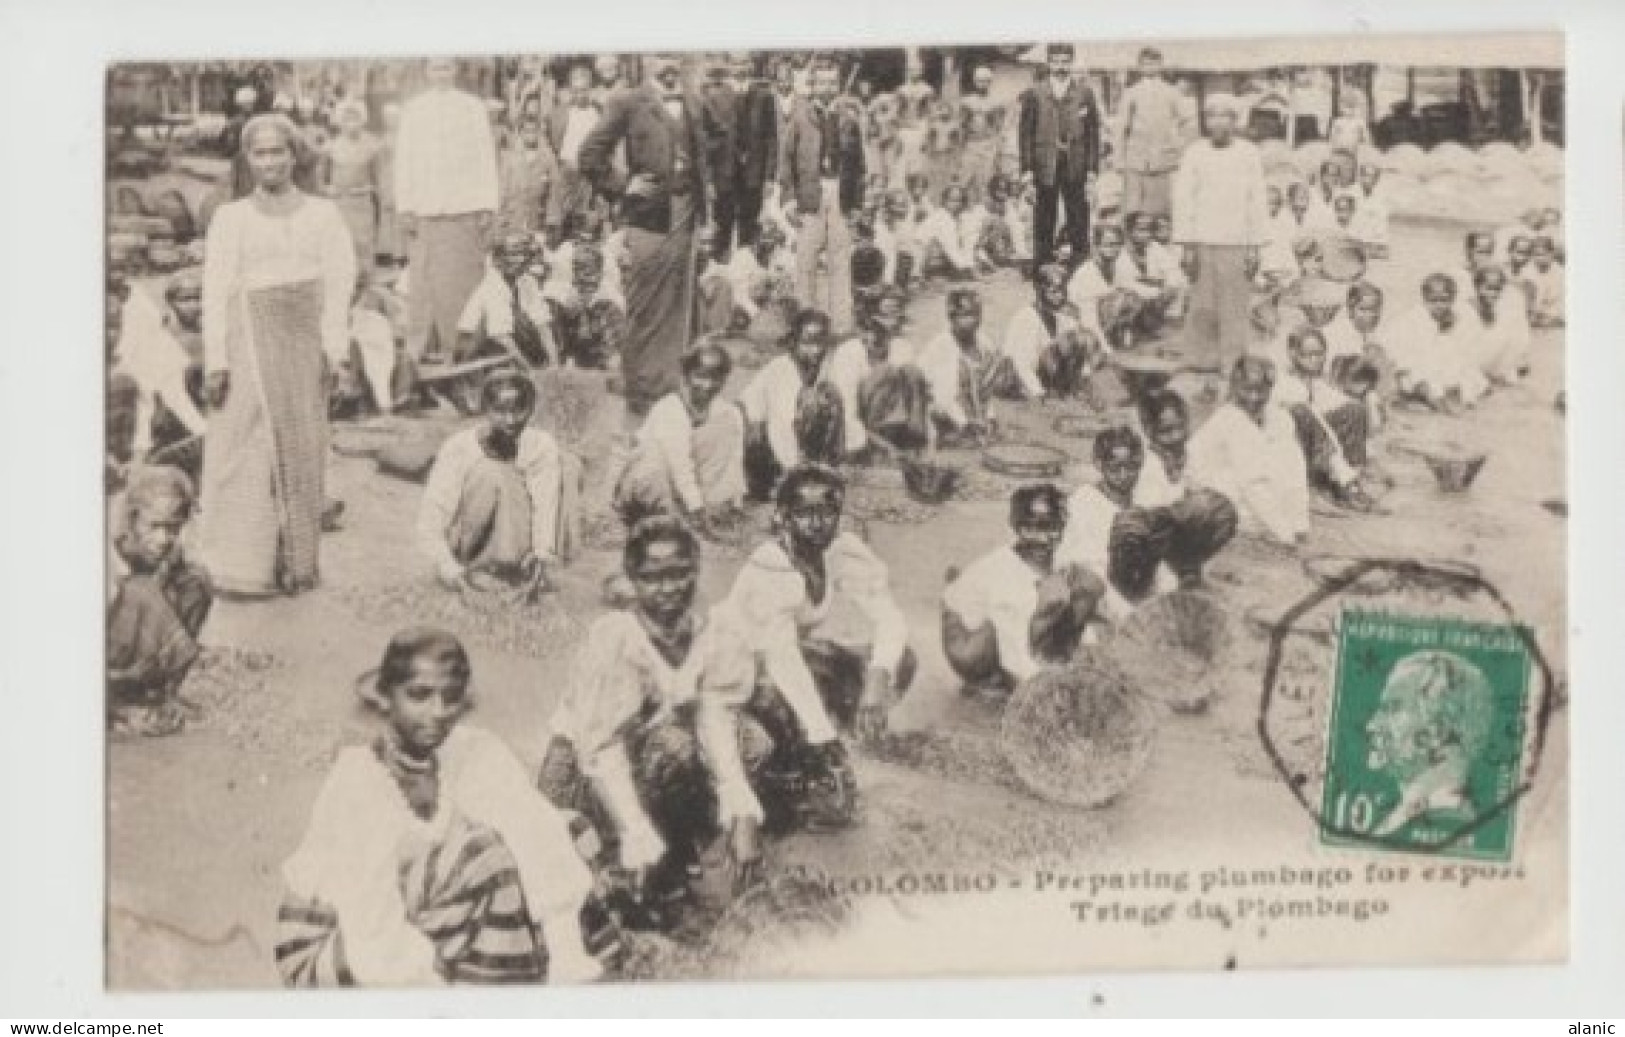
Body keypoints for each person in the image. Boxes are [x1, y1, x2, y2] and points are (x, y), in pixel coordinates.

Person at [276, 628, 602, 986]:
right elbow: (370, 923)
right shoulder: (359, 781)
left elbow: (533, 825)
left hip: (416, 918)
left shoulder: (469, 751)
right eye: (419, 696)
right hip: (337, 940)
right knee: (484, 858)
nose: (438, 712)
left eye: (451, 697)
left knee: (569, 828)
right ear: (386, 698)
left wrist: (565, 948)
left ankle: (529, 970)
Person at [538, 518, 769, 912]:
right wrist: (635, 833)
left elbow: (717, 717)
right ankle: (634, 855)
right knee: (673, 745)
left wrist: (743, 810)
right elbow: (602, 747)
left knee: (754, 741)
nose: (668, 589)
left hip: (647, 756)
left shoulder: (710, 631)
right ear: (632, 580)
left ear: (695, 570)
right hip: (586, 772)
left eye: (679, 574)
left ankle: (688, 843)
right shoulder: (616, 638)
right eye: (652, 577)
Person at [200, 114, 355, 597]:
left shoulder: (322, 215)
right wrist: (216, 360)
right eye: (259, 153)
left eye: (277, 152)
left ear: (294, 155)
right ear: (248, 160)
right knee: (244, 450)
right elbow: (215, 289)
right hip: (247, 337)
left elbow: (338, 284)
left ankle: (296, 566)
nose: (269, 162)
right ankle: (242, 568)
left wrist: (336, 352)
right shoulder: (231, 218)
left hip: (302, 341)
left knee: (303, 450)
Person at [721, 464, 916, 825]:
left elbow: (890, 618)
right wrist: (821, 733)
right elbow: (781, 659)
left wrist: (876, 679)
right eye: (804, 513)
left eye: (827, 512)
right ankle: (793, 758)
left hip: (787, 657)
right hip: (741, 669)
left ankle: (826, 739)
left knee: (899, 660)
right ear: (782, 516)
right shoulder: (770, 568)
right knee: (786, 733)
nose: (817, 523)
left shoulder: (838, 552)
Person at [578, 53, 709, 418]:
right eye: (660, 55)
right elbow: (588, 155)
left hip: (687, 216)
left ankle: (671, 389)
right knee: (646, 302)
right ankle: (639, 391)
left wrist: (708, 217)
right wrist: (623, 185)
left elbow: (704, 164)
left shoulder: (693, 100)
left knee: (680, 302)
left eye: (674, 55)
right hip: (649, 216)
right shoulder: (627, 102)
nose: (668, 64)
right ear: (647, 61)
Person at [417, 371, 578, 592]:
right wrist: (447, 566)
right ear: (485, 409)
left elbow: (546, 503)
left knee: (569, 466)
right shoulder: (458, 448)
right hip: (469, 542)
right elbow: (433, 515)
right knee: (491, 472)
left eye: (518, 411)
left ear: (531, 410)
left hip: (520, 544)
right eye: (500, 411)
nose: (510, 421)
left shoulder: (541, 446)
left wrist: (541, 552)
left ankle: (523, 568)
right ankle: (480, 567)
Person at [1059, 424, 1237, 621]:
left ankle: (1182, 588)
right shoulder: (1084, 501)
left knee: (1211, 510)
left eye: (1131, 467)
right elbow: (1090, 569)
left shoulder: (1143, 493)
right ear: (1099, 464)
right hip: (1103, 582)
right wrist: (1128, 614)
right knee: (1130, 526)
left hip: (1141, 574)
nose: (1124, 475)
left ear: (1140, 464)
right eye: (1115, 468)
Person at [941, 483, 1105, 694]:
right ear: (1016, 528)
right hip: (968, 632)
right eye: (1030, 528)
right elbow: (1011, 643)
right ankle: (986, 676)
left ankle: (1050, 651)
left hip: (1013, 616)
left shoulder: (1061, 555)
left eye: (1051, 527)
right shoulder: (1004, 572)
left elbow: (1088, 598)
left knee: (1085, 582)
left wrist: (1092, 657)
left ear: (1062, 525)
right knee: (1043, 601)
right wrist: (1031, 692)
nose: (1042, 538)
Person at [395, 57, 501, 365]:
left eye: (447, 67)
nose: (441, 74)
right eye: (435, 68)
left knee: (463, 279)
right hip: (425, 208)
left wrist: (486, 203)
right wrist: (406, 206)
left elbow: (485, 157)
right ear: (427, 72)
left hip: (463, 206)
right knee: (423, 280)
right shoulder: (414, 110)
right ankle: (422, 351)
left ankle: (463, 348)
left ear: (456, 71)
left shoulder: (473, 108)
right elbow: (405, 160)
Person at [107, 466, 214, 737]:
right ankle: (118, 705)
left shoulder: (159, 547)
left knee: (195, 582)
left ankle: (159, 693)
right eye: (154, 526)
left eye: (173, 528)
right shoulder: (105, 550)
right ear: (132, 520)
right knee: (143, 592)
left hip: (129, 645)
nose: (164, 539)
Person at [1172, 93, 1269, 376]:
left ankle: (1233, 363)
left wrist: (1254, 247)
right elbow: (1184, 200)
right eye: (1211, 115)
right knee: (1202, 305)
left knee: (1234, 307)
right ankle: (1201, 360)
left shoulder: (1248, 153)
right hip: (1202, 241)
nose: (1217, 122)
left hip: (1236, 242)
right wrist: (1187, 245)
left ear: (1234, 120)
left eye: (1224, 116)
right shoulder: (1195, 153)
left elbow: (1256, 200)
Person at [614, 339, 746, 530]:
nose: (707, 385)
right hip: (648, 481)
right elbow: (679, 464)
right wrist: (697, 508)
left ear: (724, 380)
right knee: (655, 464)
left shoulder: (727, 412)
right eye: (700, 376)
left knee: (725, 427)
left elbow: (734, 460)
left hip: (683, 488)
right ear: (686, 376)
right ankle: (677, 515)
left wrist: (735, 502)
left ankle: (702, 508)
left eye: (715, 378)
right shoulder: (671, 408)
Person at [780, 62, 866, 336]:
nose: (827, 88)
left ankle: (841, 325)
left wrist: (856, 205)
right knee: (806, 261)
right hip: (810, 196)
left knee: (840, 260)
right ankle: (806, 323)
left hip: (840, 193)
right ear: (812, 85)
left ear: (838, 85)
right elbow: (786, 162)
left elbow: (859, 166)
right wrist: (789, 199)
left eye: (832, 82)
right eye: (822, 83)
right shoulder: (799, 118)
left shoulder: (849, 120)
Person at [1188, 356, 1309, 546]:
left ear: (1270, 389)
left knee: (1286, 459)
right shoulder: (1230, 419)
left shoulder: (1279, 417)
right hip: (1209, 488)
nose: (1253, 397)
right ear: (1235, 388)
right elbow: (1252, 483)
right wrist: (1285, 534)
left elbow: (1295, 468)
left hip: (1247, 482)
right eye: (1246, 389)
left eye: (1260, 391)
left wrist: (1301, 524)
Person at [739, 308, 844, 499]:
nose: (816, 350)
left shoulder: (825, 368)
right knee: (810, 401)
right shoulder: (781, 369)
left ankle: (821, 467)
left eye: (821, 343)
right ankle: (785, 478)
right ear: (793, 342)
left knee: (829, 395)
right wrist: (793, 469)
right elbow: (779, 425)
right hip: (765, 445)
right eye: (808, 343)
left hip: (796, 441)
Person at [1273, 326, 1376, 509]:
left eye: (1320, 354)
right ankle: (1324, 487)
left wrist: (1363, 404)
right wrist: (1340, 469)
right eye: (1308, 354)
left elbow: (1339, 403)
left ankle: (1352, 482)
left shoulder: (1315, 383)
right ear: (1293, 353)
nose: (1315, 360)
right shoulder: (1284, 383)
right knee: (1302, 414)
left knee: (1354, 410)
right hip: (1284, 448)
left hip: (1316, 442)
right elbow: (1319, 427)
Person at [1018, 43, 1102, 266]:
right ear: (1048, 63)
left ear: (1072, 63)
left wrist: (1092, 169)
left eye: (1065, 62)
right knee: (1044, 218)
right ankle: (1043, 266)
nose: (1061, 67)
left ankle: (1080, 266)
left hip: (1076, 164)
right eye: (1056, 62)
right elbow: (1025, 135)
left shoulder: (1085, 93)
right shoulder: (1034, 93)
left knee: (1078, 218)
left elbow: (1093, 134)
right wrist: (1026, 170)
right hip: (1044, 164)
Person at [827, 286, 931, 461]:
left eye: (895, 315)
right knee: (886, 371)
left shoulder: (902, 347)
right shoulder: (848, 353)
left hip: (895, 423)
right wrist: (876, 444)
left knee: (913, 373)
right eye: (883, 316)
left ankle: (913, 443)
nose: (891, 323)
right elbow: (846, 410)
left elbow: (919, 397)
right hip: (859, 428)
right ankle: (879, 448)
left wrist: (926, 438)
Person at [915, 288, 1015, 443]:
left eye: (977, 314)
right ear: (952, 317)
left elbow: (985, 390)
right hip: (942, 410)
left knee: (999, 363)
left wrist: (990, 416)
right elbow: (943, 395)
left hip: (971, 408)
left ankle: (977, 425)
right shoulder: (941, 347)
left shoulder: (984, 343)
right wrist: (964, 423)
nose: (974, 320)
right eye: (966, 315)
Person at [1001, 263, 1107, 401]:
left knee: (1082, 337)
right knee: (1073, 340)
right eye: (1054, 291)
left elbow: (1080, 354)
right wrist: (1038, 392)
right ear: (1039, 291)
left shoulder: (1063, 317)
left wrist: (1084, 379)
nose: (1060, 296)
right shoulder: (1027, 319)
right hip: (1018, 377)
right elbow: (1021, 364)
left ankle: (1071, 388)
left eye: (1063, 291)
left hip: (1046, 372)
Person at [1390, 274, 1488, 411]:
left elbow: (1460, 349)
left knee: (1470, 376)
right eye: (1433, 301)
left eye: (1444, 301)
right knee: (1419, 378)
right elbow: (1404, 353)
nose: (1439, 305)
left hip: (1440, 366)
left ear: (1452, 300)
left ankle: (1460, 399)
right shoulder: (1413, 319)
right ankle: (1435, 402)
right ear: (1424, 300)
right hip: (1417, 367)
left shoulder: (1455, 318)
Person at [456, 233, 556, 367]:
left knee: (530, 321)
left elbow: (543, 324)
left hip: (503, 342)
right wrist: (530, 370)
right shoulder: (493, 284)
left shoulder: (527, 281)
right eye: (513, 254)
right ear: (498, 259)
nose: (519, 260)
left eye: (523, 254)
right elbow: (501, 336)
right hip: (474, 348)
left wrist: (555, 365)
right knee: (512, 323)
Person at [1117, 47, 1190, 220]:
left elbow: (1186, 120)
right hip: (1136, 158)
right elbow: (1121, 127)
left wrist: (1177, 145)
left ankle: (1161, 244)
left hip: (1164, 159)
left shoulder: (1171, 92)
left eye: (1154, 63)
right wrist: (1119, 159)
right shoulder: (1131, 92)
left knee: (1162, 208)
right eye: (1145, 64)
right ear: (1139, 66)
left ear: (1161, 65)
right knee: (1133, 207)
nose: (1149, 67)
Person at [324, 99, 390, 275]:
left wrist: (369, 189)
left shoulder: (372, 146)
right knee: (340, 244)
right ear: (339, 122)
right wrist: (329, 189)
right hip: (338, 204)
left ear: (362, 120)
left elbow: (379, 179)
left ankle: (366, 285)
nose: (351, 124)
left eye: (355, 119)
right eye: (346, 120)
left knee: (363, 244)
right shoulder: (331, 147)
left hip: (362, 204)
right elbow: (323, 179)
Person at [542, 244, 625, 370]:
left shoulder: (611, 299)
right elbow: (562, 336)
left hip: (604, 357)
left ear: (599, 272)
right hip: (575, 357)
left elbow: (614, 348)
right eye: (577, 269)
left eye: (588, 271)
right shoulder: (568, 295)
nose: (581, 276)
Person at [544, 64, 602, 243]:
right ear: (570, 90)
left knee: (585, 224)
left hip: (589, 175)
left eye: (584, 90)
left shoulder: (599, 113)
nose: (580, 95)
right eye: (575, 91)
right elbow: (548, 140)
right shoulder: (559, 113)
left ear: (591, 90)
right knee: (558, 224)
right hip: (565, 172)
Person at [1067, 222, 1144, 349]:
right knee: (1121, 298)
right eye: (1109, 244)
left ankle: (1122, 342)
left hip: (1103, 323)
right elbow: (1089, 321)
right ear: (1096, 246)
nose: (1115, 249)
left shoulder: (1116, 267)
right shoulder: (1086, 274)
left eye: (1118, 244)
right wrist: (1107, 351)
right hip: (1080, 327)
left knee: (1132, 296)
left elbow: (1135, 288)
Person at [731, 53, 779, 250]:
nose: (740, 68)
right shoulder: (721, 95)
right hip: (728, 171)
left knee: (750, 220)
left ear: (750, 66)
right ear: (731, 68)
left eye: (744, 63)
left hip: (754, 170)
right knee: (725, 220)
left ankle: (749, 262)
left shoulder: (764, 96)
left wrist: (768, 175)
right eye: (736, 64)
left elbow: (771, 138)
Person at [1460, 265, 1531, 386]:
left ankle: (1503, 370)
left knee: (1514, 327)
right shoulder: (1467, 307)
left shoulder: (1498, 306)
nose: (1493, 294)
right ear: (1477, 287)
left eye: (1497, 289)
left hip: (1486, 356)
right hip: (1469, 358)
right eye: (1488, 288)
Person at [700, 59, 742, 261]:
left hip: (724, 165)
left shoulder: (729, 94)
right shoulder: (705, 95)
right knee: (718, 215)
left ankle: (719, 256)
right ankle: (716, 256)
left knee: (722, 214)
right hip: (719, 165)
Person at [496, 113, 559, 239]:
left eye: (534, 131)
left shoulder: (547, 157)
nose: (531, 135)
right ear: (521, 133)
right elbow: (503, 187)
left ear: (539, 132)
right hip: (514, 217)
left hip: (537, 218)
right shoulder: (510, 156)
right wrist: (501, 215)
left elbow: (555, 188)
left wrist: (552, 217)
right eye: (527, 131)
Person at [957, 65, 1008, 202]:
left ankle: (982, 212)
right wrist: (961, 149)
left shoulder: (997, 102)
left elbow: (1000, 127)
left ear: (990, 82)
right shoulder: (967, 101)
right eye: (979, 80)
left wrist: (998, 149)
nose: (982, 84)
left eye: (986, 80)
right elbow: (962, 126)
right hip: (971, 144)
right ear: (974, 81)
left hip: (989, 144)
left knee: (986, 181)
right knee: (964, 180)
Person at [915, 183, 980, 279]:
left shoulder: (956, 218)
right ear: (944, 200)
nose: (956, 204)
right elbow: (951, 248)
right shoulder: (942, 217)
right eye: (952, 200)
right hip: (923, 257)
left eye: (959, 201)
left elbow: (966, 243)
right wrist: (968, 268)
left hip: (939, 257)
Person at [1350, 163, 1389, 257]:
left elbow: (1381, 226)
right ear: (1360, 177)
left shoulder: (1380, 200)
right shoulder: (1351, 195)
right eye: (1365, 175)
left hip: (1371, 244)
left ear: (1376, 180)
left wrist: (1379, 244)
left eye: (1372, 176)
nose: (1368, 180)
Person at [1526, 235, 1564, 328]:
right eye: (1535, 255)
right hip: (1533, 315)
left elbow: (1560, 302)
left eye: (1542, 254)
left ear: (1552, 254)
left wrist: (1551, 316)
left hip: (1554, 315)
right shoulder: (1528, 270)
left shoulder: (1560, 273)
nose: (1539, 259)